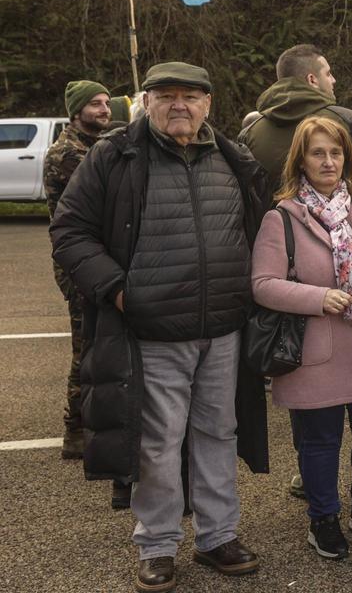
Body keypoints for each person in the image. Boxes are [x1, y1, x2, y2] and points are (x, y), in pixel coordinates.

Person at [50, 62, 269, 593]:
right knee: (158, 441)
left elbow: (259, 227)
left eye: (190, 97)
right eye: (166, 95)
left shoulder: (232, 157)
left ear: (208, 104)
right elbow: (70, 228)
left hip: (222, 327)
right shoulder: (115, 154)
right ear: (145, 101)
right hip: (150, 328)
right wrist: (120, 289)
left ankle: (218, 536)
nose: (179, 106)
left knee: (219, 433)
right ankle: (158, 544)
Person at [251, 116, 352, 559]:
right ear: (301, 159)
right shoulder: (281, 218)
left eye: (336, 152)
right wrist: (320, 297)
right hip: (316, 351)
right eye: (318, 153)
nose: (328, 161)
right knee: (320, 444)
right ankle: (324, 519)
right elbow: (262, 284)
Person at [43, 80, 111, 463]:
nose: (104, 109)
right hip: (77, 263)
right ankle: (76, 431)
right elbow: (105, 191)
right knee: (85, 345)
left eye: (105, 103)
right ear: (76, 111)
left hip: (93, 257)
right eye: (96, 104)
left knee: (99, 342)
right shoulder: (67, 153)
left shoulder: (90, 146)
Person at [239, 44, 352, 198]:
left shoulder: (250, 133)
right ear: (312, 79)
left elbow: (244, 194)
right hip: (344, 219)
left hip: (270, 221)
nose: (333, 80)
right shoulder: (347, 121)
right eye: (328, 74)